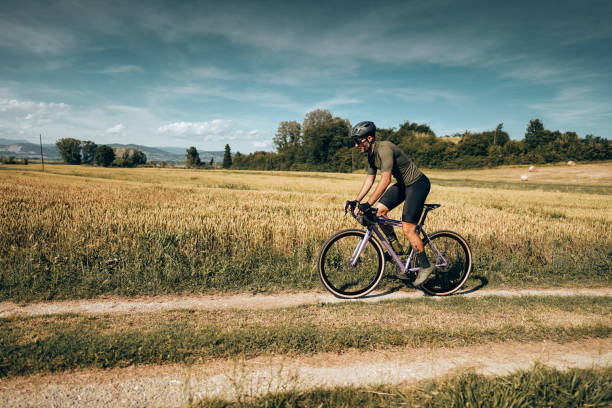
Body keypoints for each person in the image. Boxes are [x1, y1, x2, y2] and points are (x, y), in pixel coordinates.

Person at [346, 121, 433, 286]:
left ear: (369, 138)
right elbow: (370, 179)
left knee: (408, 228)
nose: (356, 145)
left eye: (358, 141)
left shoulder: (384, 149)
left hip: (417, 184)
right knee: (377, 213)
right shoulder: (371, 155)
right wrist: (357, 201)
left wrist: (368, 203)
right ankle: (396, 248)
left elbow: (385, 180)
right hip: (403, 185)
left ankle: (426, 266)